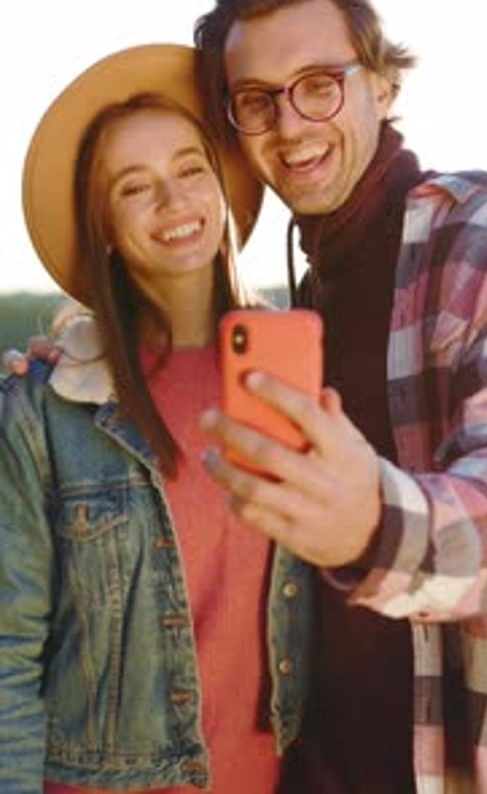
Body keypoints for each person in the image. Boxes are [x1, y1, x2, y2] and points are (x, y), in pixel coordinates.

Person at [191, 0, 487, 793]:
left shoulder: (480, 236)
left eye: (319, 84)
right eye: (257, 99)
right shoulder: (293, 296)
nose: (290, 127)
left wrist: (370, 526)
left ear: (383, 85)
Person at [0, 44, 314, 793]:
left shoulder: (297, 377)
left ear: (222, 186)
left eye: (189, 170)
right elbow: (8, 653)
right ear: (103, 225)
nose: (174, 204)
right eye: (134, 188)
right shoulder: (46, 406)